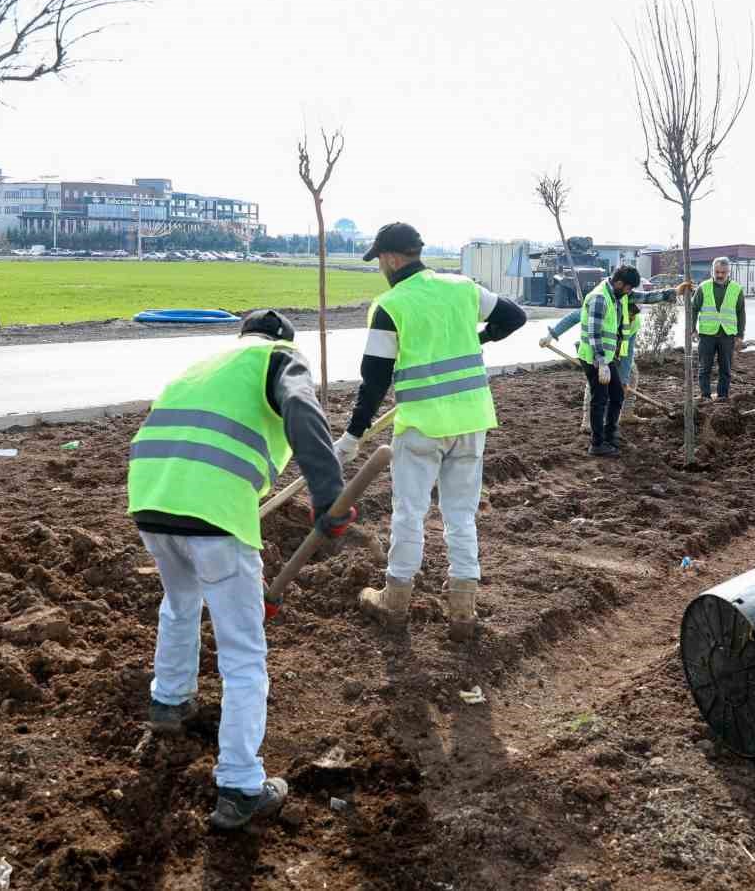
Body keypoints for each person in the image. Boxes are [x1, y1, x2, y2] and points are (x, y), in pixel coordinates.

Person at [128, 310, 348, 831]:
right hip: (214, 515)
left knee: (180, 603)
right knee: (244, 654)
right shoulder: (278, 357)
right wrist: (329, 495)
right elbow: (300, 406)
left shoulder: (205, 365)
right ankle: (242, 785)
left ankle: (169, 701)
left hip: (151, 501)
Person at [337, 223, 526, 638]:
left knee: (409, 513)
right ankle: (463, 609)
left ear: (389, 258)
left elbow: (374, 380)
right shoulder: (462, 289)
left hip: (421, 426)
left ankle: (396, 601)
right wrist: (482, 337)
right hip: (471, 421)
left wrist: (352, 436)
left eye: (379, 261)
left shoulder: (391, 304)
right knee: (461, 515)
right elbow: (515, 316)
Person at [542, 277, 666, 430]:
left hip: (618, 353)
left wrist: (624, 379)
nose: (633, 314)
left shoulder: (635, 322)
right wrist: (551, 335)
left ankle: (626, 414)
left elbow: (628, 351)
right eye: (631, 310)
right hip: (597, 352)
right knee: (596, 385)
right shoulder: (603, 305)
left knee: (632, 375)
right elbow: (573, 317)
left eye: (636, 312)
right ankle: (587, 422)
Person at [570, 265, 642, 455]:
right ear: (619, 283)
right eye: (628, 288)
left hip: (605, 357)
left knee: (617, 394)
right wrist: (601, 363)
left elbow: (644, 297)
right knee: (600, 398)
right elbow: (594, 333)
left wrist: (672, 293)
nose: (629, 292)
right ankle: (597, 444)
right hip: (594, 357)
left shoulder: (616, 295)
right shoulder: (600, 298)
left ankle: (610, 434)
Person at [689, 257, 747, 402]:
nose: (720, 275)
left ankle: (722, 396)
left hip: (727, 335)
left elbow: (741, 312)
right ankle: (705, 395)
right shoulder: (703, 287)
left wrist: (740, 334)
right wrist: (692, 329)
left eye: (723, 272)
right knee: (704, 368)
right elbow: (693, 309)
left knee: (725, 369)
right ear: (712, 271)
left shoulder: (736, 289)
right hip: (707, 334)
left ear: (728, 272)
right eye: (717, 272)